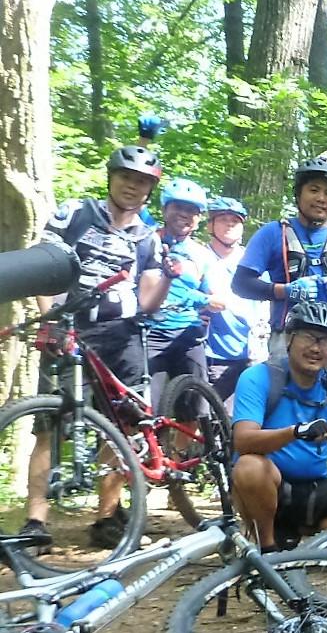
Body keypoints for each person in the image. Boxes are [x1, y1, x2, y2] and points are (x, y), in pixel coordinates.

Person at [23, 145, 165, 550]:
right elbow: (41, 266)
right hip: (70, 326)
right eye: (126, 178)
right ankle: (35, 520)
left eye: (142, 183)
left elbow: (149, 300)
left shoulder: (147, 238)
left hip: (122, 335)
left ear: (149, 190)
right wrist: (50, 319)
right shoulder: (75, 213)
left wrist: (168, 279)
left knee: (125, 426)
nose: (132, 187)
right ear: (112, 178)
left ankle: (107, 516)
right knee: (50, 426)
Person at [231, 156, 327, 404]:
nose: (321, 198)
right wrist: (286, 290)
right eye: (313, 190)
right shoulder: (273, 233)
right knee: (286, 422)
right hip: (288, 342)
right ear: (298, 194)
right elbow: (241, 283)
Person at [230, 300, 327, 552]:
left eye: (325, 341)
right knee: (250, 467)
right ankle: (267, 547)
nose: (316, 347)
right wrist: (296, 432)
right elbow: (243, 440)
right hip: (269, 486)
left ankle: (309, 527)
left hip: (314, 487)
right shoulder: (258, 377)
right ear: (289, 338)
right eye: (309, 337)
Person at [140, 177, 216, 406]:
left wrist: (197, 299)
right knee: (144, 410)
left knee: (194, 409)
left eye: (192, 210)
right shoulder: (146, 236)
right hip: (150, 334)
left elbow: (218, 299)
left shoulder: (202, 255)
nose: (184, 214)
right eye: (178, 207)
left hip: (187, 334)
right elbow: (136, 201)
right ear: (164, 209)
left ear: (199, 218)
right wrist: (144, 141)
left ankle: (186, 442)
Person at [203, 197, 270, 405]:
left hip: (248, 355)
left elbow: (267, 302)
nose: (230, 224)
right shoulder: (199, 257)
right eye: (223, 219)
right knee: (197, 419)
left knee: (236, 424)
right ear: (210, 225)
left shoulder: (253, 263)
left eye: (236, 220)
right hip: (208, 353)